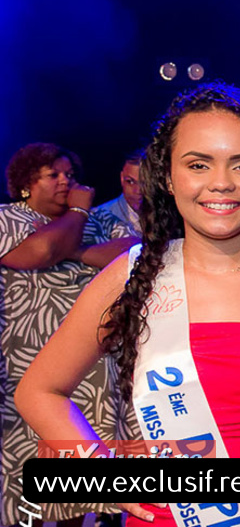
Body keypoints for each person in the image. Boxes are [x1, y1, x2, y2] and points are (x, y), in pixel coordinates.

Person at [15, 84, 240, 527]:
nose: (221, 182)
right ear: (167, 177)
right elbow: (38, 391)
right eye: (199, 164)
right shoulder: (132, 277)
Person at [0, 142, 137, 527]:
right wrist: (76, 219)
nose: (66, 181)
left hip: (87, 368)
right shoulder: (7, 219)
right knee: (27, 461)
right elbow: (41, 251)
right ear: (26, 182)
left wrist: (73, 250)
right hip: (26, 360)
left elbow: (130, 252)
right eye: (53, 175)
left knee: (79, 466)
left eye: (70, 175)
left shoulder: (95, 222)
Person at [93, 149, 145, 237]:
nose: (138, 191)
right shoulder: (99, 219)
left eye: (145, 183)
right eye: (130, 182)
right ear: (121, 178)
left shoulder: (166, 214)